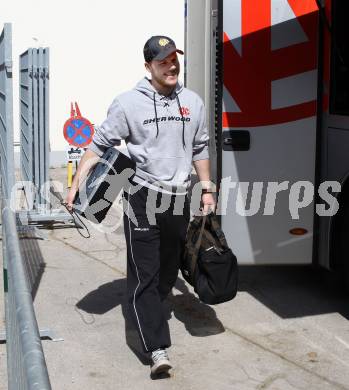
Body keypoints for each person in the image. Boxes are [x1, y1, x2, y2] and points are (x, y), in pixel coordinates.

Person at [65, 35, 216, 375]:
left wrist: (206, 189)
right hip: (142, 196)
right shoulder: (127, 103)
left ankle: (151, 303)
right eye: (163, 61)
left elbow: (200, 148)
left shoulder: (193, 102)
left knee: (168, 268)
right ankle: (158, 349)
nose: (172, 65)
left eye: (174, 58)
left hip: (179, 196)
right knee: (145, 273)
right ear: (148, 67)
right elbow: (99, 145)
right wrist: (76, 184)